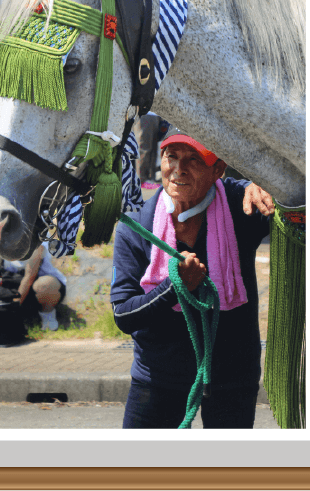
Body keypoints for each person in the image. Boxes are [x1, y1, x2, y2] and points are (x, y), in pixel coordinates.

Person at [111, 127, 274, 429]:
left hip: (232, 378)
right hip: (158, 378)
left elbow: (299, 206)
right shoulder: (137, 225)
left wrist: (267, 183)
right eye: (171, 157)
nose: (178, 169)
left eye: (194, 159)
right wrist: (175, 287)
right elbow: (123, 315)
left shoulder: (242, 205)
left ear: (218, 170)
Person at [0, 242, 66, 331]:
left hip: (35, 285)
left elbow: (29, 277)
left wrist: (15, 305)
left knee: (45, 284)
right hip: (10, 280)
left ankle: (47, 317)